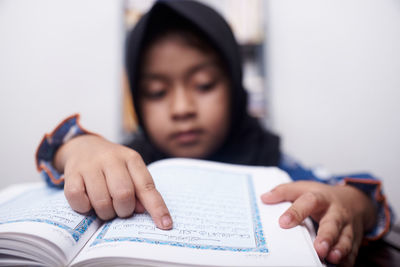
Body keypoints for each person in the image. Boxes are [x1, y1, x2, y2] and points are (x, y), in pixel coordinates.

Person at [36, 0, 392, 265]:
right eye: (157, 92)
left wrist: (351, 206)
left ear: (235, 86)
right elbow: (59, 159)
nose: (181, 109)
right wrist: (79, 148)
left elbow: (358, 195)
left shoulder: (272, 164)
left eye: (204, 85)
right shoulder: (130, 161)